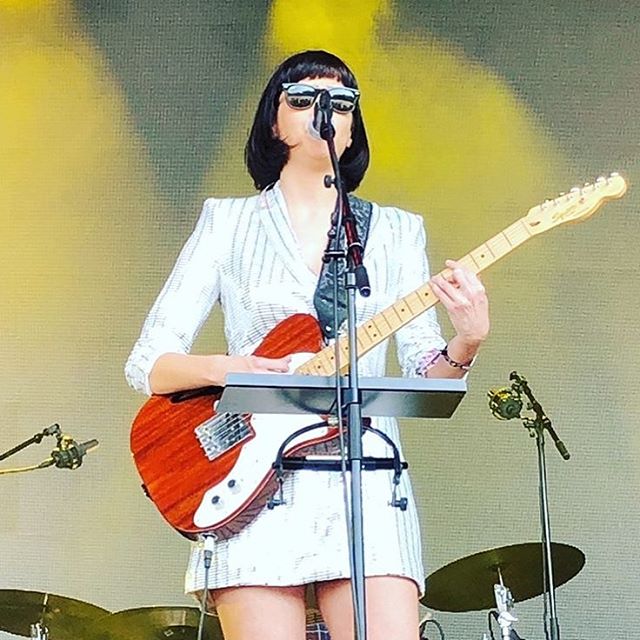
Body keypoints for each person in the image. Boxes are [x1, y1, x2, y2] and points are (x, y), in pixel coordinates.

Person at [125, 49, 489, 640]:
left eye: (342, 103)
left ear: (352, 126)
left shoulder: (397, 231)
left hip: (367, 478)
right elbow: (150, 363)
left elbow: (425, 377)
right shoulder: (228, 222)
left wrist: (467, 341)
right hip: (254, 477)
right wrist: (238, 368)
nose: (325, 111)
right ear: (274, 122)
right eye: (303, 98)